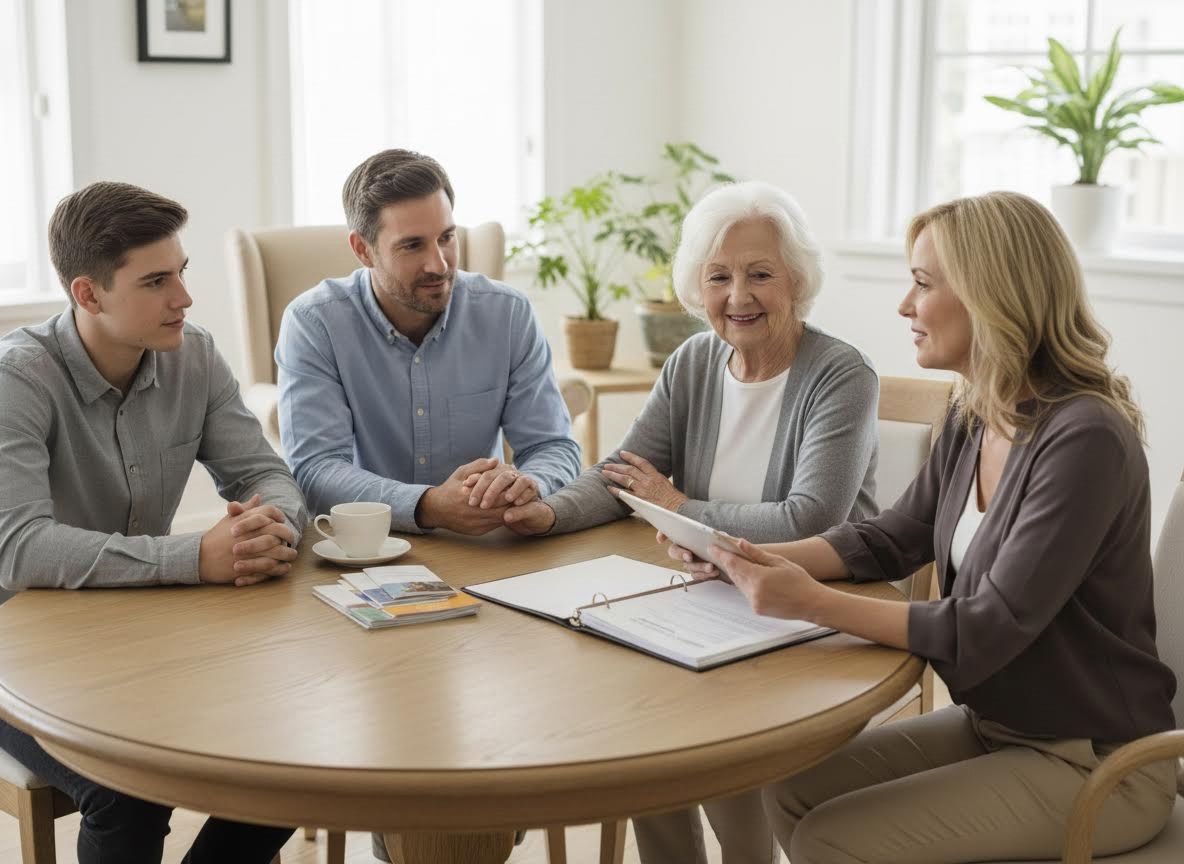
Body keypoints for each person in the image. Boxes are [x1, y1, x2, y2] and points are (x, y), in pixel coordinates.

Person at [665, 191, 1178, 863]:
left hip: (1100, 764)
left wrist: (807, 600)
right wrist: (743, 556)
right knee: (785, 788)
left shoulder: (1084, 439)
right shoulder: (977, 413)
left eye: (922, 283)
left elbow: (984, 628)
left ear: (992, 295)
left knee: (830, 839)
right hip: (1001, 729)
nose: (905, 306)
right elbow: (890, 537)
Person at [506, 181, 881, 864]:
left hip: (813, 606)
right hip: (713, 596)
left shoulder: (841, 375)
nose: (738, 295)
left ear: (796, 280)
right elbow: (624, 474)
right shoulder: (693, 362)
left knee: (703, 731)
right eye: (719, 276)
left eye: (760, 274)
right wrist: (546, 513)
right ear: (696, 287)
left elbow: (811, 516)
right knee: (646, 718)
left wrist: (680, 510)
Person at [0, 182, 305, 863]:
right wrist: (194, 559)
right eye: (157, 281)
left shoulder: (193, 354)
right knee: (127, 793)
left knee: (292, 754)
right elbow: (17, 549)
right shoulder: (18, 378)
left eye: (183, 272)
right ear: (88, 294)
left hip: (134, 638)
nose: (185, 298)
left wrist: (270, 525)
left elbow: (269, 476)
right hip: (14, 655)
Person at [276, 148, 580, 538]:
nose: (438, 264)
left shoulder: (507, 314)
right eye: (412, 245)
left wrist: (531, 484)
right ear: (363, 249)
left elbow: (552, 444)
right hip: (367, 546)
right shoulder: (314, 323)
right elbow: (315, 471)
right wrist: (428, 506)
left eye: (447, 238)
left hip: (484, 542)